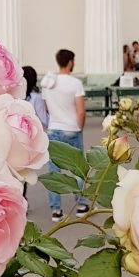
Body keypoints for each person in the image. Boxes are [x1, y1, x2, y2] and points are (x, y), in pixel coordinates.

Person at [41, 48, 87, 221]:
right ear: (70, 62)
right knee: (78, 169)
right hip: (72, 128)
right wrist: (79, 128)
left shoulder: (48, 83)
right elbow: (81, 111)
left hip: (54, 129)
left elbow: (46, 108)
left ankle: (56, 210)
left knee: (54, 171)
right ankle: (81, 204)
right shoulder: (75, 83)